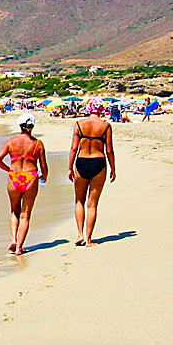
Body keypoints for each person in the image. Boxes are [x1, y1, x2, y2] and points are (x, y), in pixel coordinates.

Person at [0, 113, 48, 255]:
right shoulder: (37, 144)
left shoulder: (11, 142)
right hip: (30, 176)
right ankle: (20, 247)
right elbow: (43, 165)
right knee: (26, 214)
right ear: (32, 126)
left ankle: (13, 239)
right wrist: (44, 177)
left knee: (14, 211)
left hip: (14, 176)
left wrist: (9, 170)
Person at [68, 98, 116, 247]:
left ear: (89, 108)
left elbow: (74, 149)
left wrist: (70, 167)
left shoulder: (79, 124)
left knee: (79, 200)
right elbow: (109, 150)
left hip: (82, 161)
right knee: (92, 204)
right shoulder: (106, 126)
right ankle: (89, 239)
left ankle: (80, 234)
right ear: (101, 109)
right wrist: (113, 168)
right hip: (98, 162)